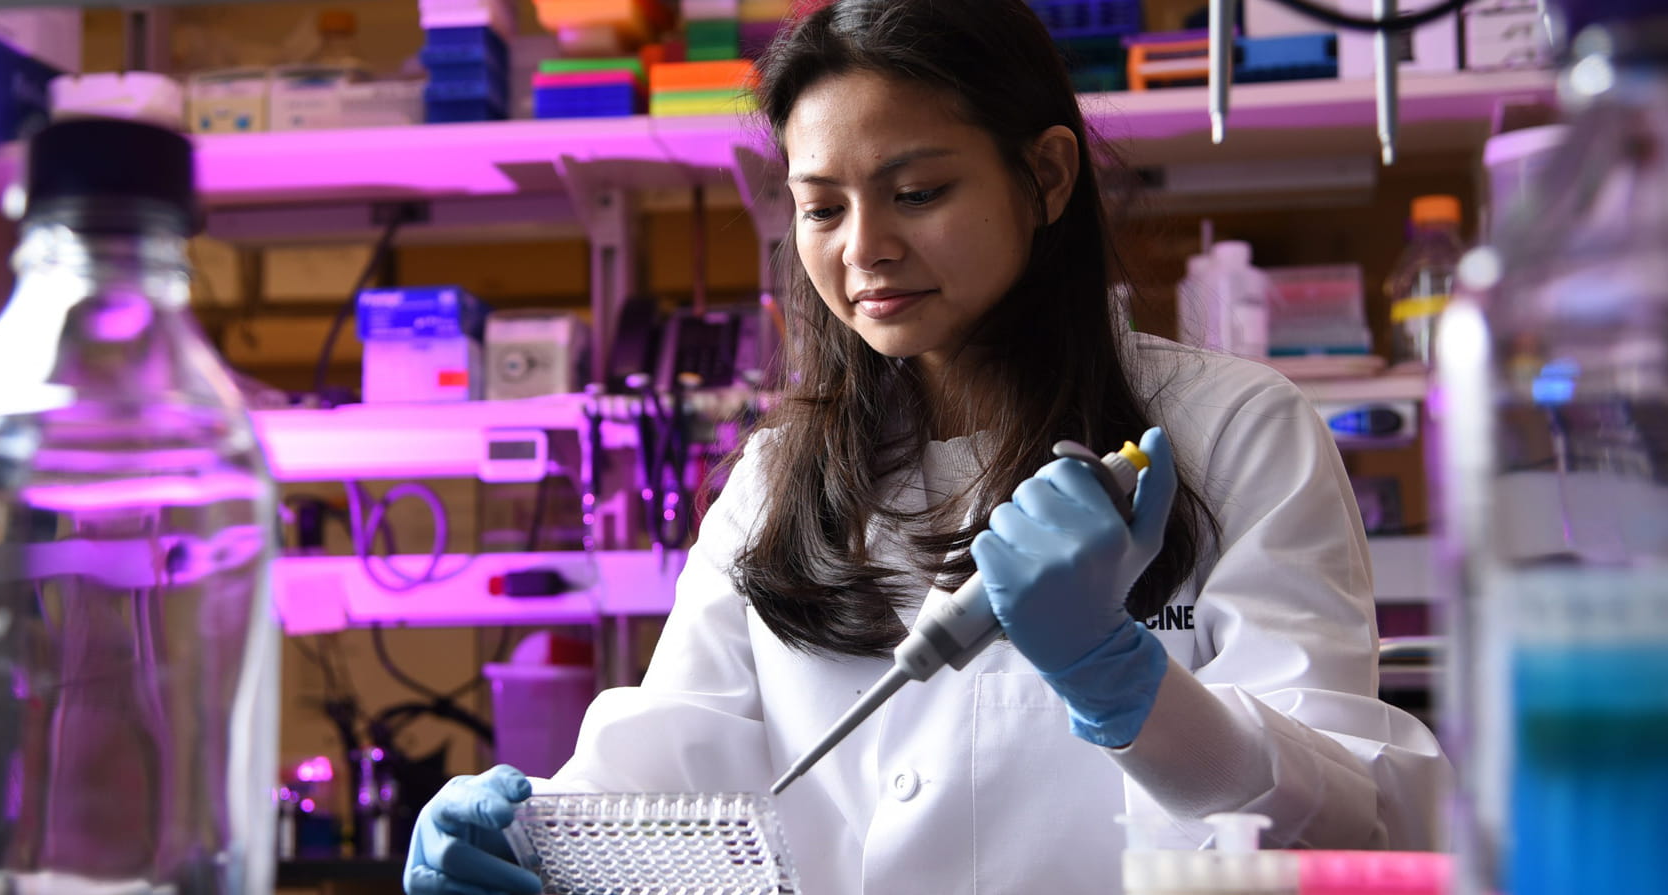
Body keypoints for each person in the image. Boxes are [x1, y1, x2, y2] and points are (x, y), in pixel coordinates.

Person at [404, 2, 1450, 893]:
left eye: (917, 193)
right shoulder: (775, 481)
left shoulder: (1233, 430)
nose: (864, 248)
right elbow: (669, 776)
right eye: (822, 207)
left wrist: (1121, 679)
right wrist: (530, 836)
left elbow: (1352, 823)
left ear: (1045, 175)